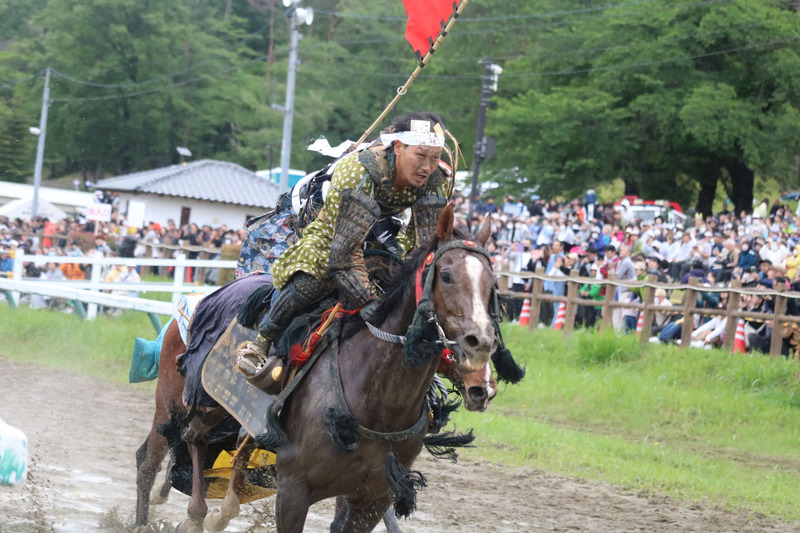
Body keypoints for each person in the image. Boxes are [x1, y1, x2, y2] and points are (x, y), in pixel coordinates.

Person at [236, 111, 453, 392]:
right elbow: (343, 256)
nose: (427, 166)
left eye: (434, 158)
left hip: (382, 234)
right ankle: (262, 339)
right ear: (398, 148)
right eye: (420, 156)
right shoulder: (359, 171)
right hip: (332, 233)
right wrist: (371, 303)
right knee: (314, 279)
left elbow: (425, 247)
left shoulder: (436, 178)